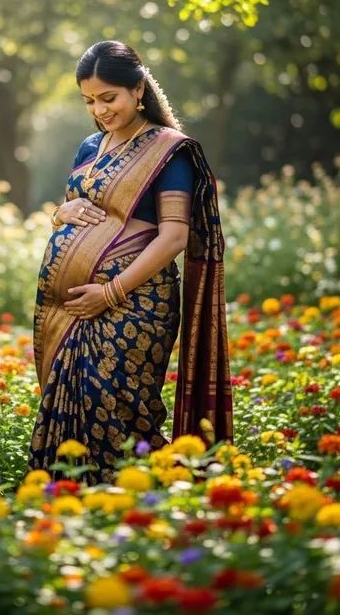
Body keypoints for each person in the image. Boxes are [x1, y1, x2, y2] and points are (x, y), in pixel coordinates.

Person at [28, 40, 233, 484]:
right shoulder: (90, 148)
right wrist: (60, 213)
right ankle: (71, 508)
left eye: (108, 97)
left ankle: (143, 499)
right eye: (89, 101)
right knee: (69, 410)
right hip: (74, 311)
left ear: (138, 90)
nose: (99, 110)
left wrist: (110, 292)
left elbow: (174, 236)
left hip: (137, 305)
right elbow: (74, 212)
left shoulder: (169, 152)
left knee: (116, 411)